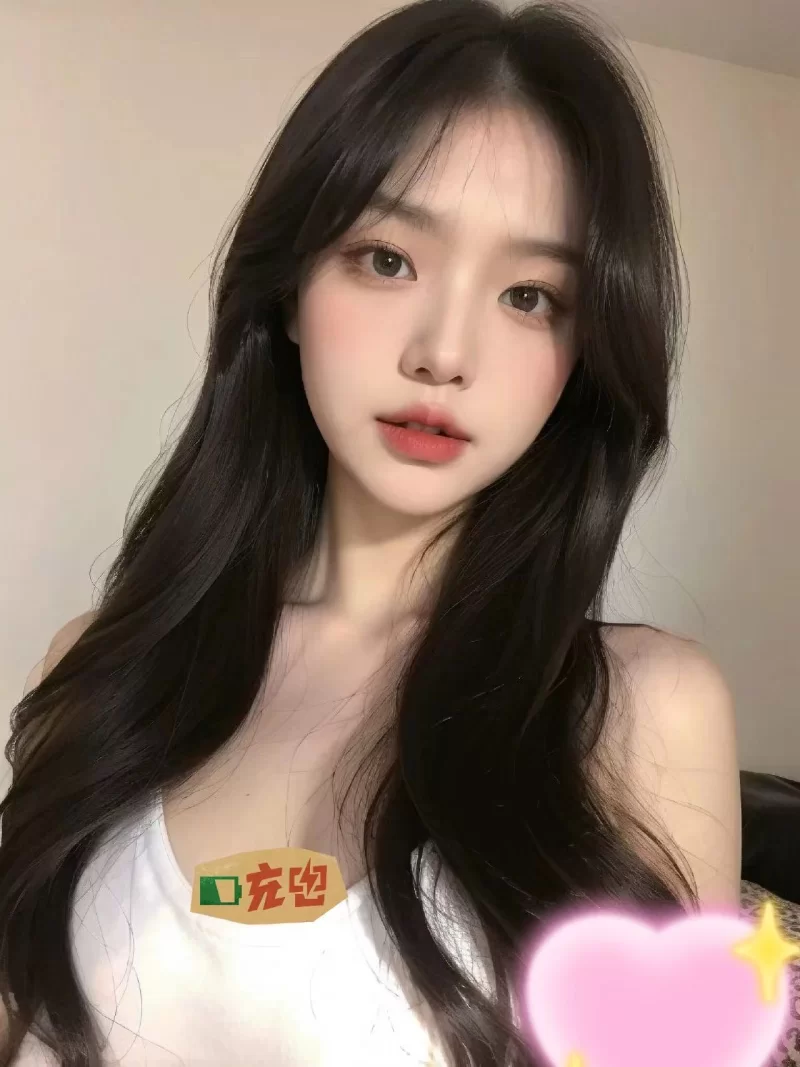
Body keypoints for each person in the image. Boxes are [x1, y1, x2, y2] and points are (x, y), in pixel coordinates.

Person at [0, 0, 742, 1064]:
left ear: (583, 354)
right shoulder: (99, 669)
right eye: (388, 258)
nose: (444, 352)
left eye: (530, 296)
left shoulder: (640, 713)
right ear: (289, 291)